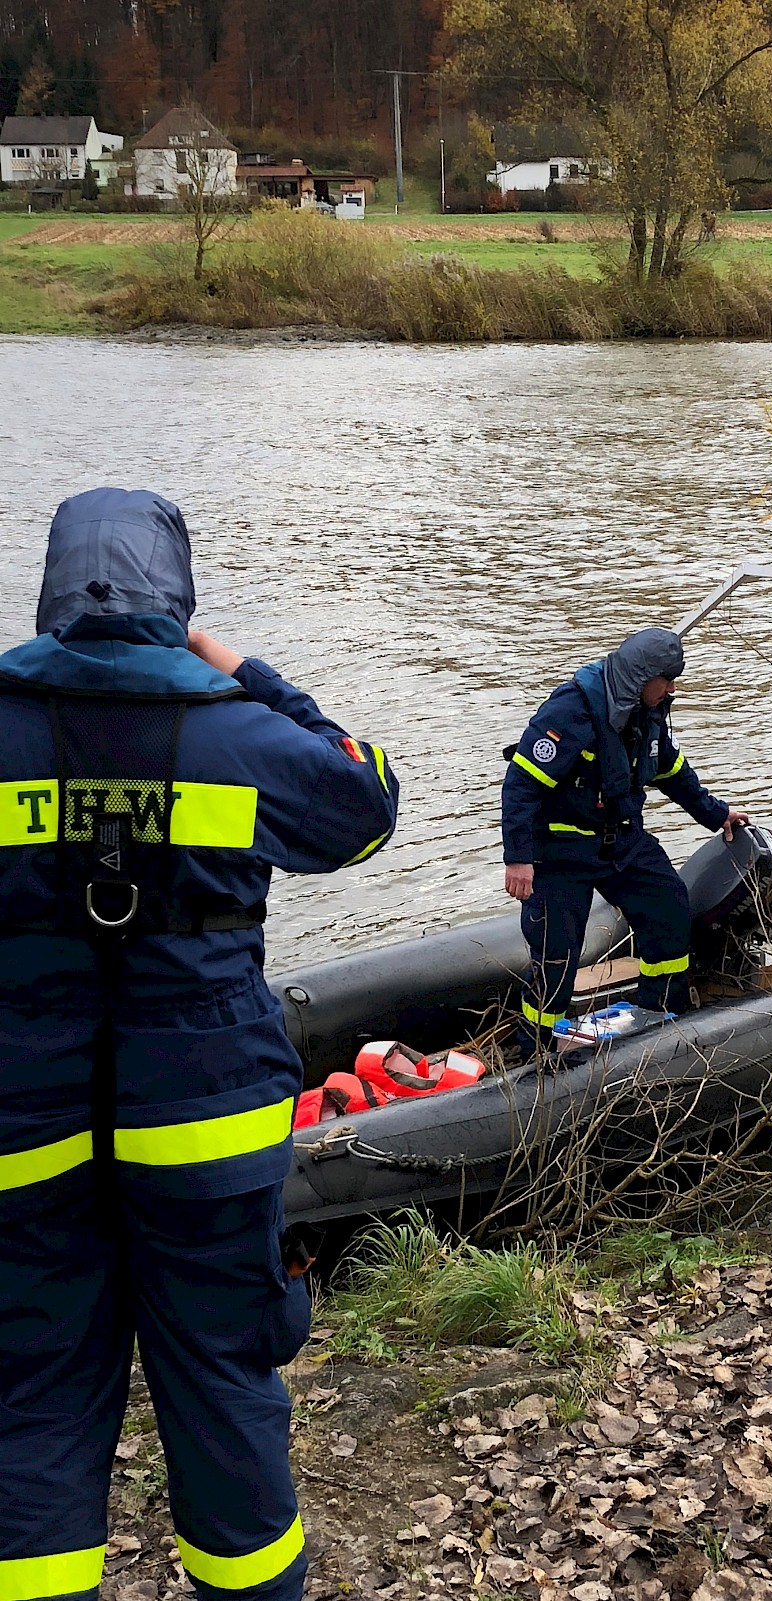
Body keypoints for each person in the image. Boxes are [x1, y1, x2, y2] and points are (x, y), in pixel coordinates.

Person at [0, 488, 399, 1601]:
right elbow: (366, 801)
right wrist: (252, 671)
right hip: (204, 1127)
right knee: (222, 1382)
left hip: (24, 1131)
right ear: (176, 602)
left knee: (29, 1394)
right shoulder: (241, 732)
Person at [502, 627, 749, 1058]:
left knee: (668, 907)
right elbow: (522, 785)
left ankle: (661, 1011)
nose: (673, 689)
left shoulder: (649, 711)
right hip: (560, 851)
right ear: (640, 677)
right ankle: (535, 1054)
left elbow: (671, 770)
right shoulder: (571, 712)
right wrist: (518, 859)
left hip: (621, 840)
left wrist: (716, 813)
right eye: (667, 680)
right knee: (556, 954)